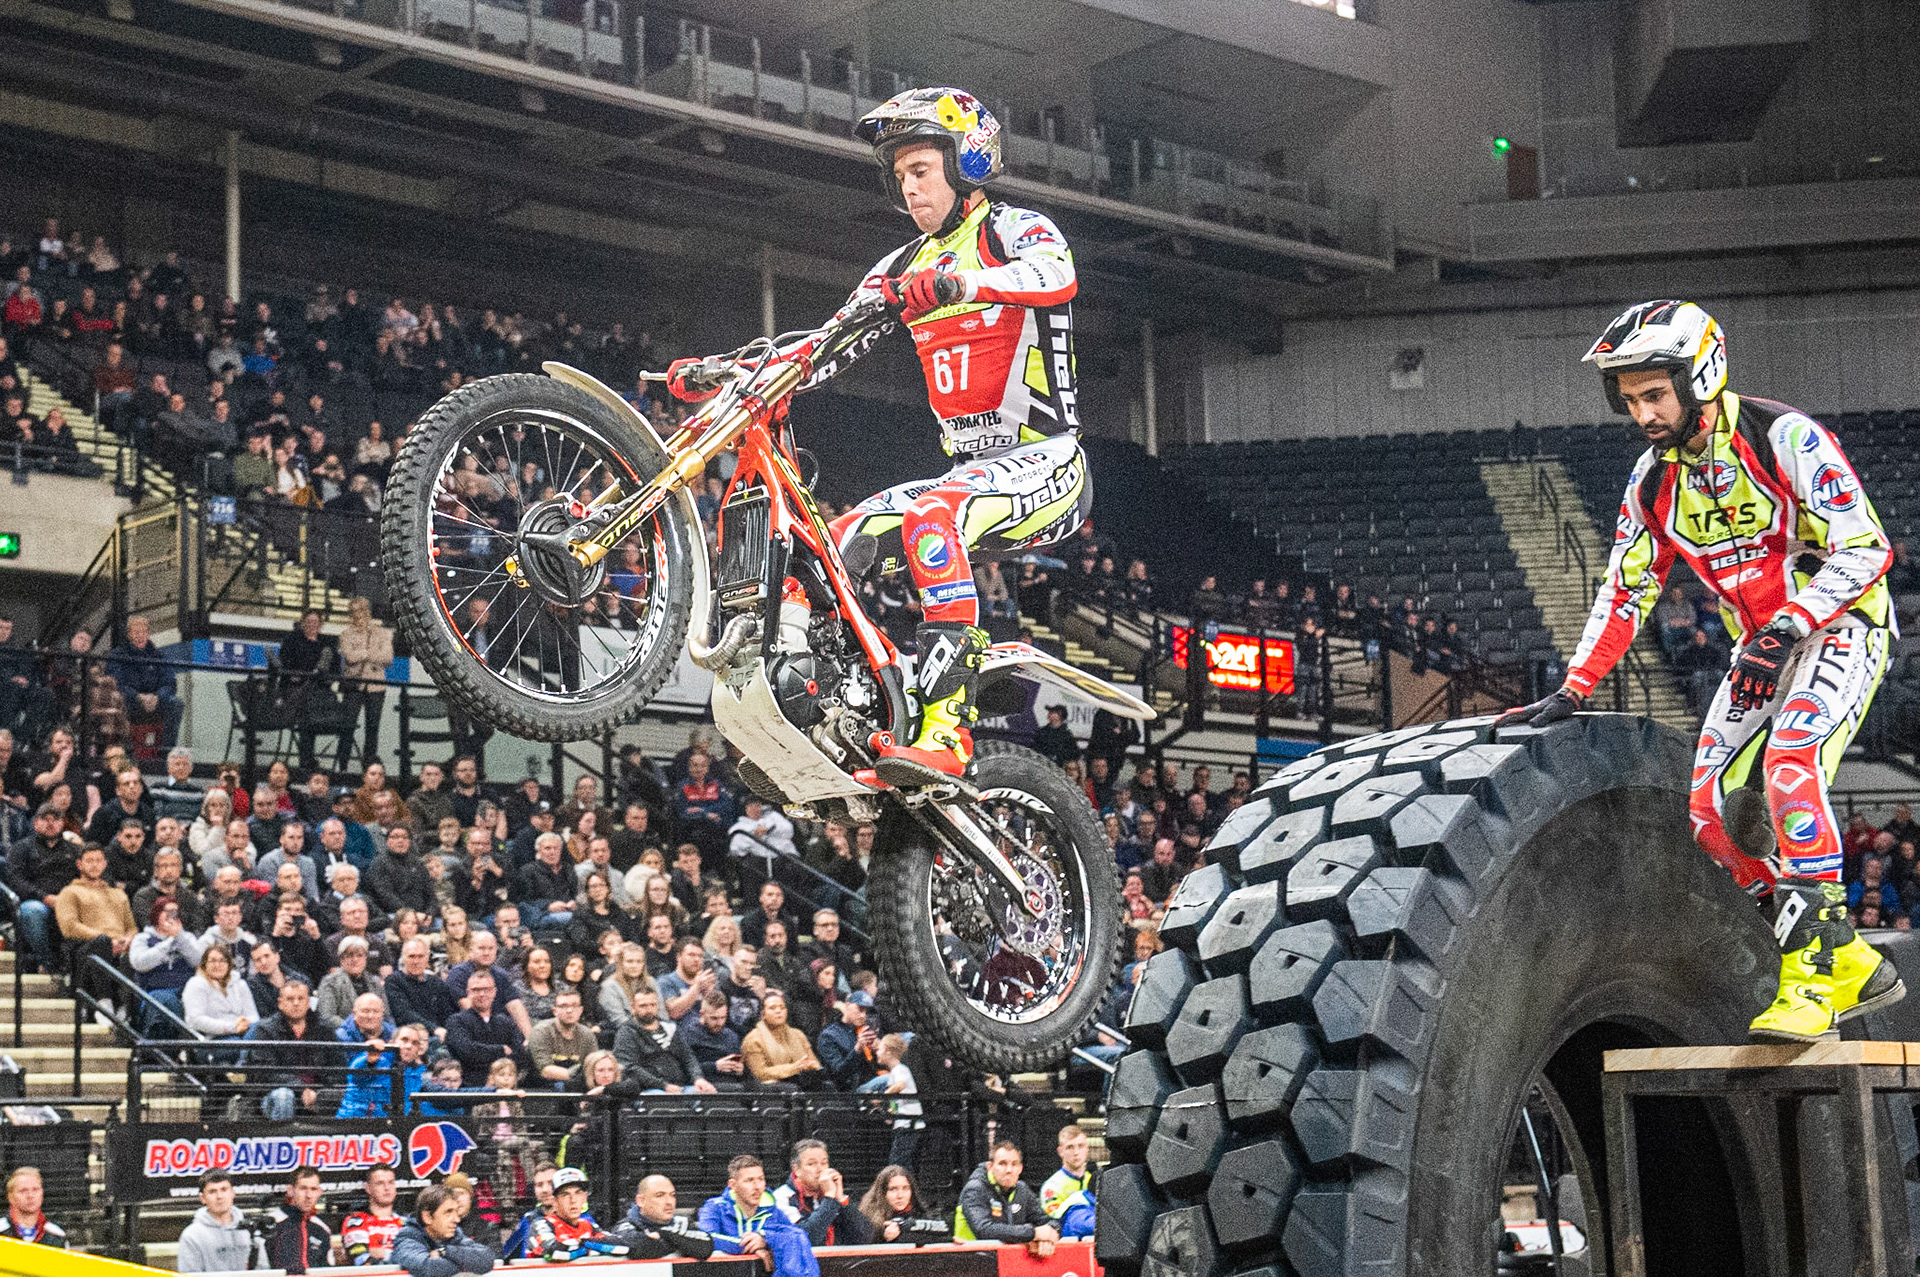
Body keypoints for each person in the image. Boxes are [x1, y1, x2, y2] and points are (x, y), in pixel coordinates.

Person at [1498, 300, 1903, 1043]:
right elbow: (1626, 587)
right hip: (1761, 647)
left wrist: (1787, 627)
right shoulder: (1651, 483)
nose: (1644, 414)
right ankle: (1844, 954)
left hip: (1841, 625)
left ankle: (1816, 969)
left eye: (1655, 395)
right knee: (1711, 817)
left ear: (1701, 375)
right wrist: (1573, 687)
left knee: (1787, 765)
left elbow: (1868, 548)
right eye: (1630, 401)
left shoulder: (1784, 436)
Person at [668, 88, 1084, 786]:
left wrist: (962, 283)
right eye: (900, 176)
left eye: (921, 168)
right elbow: (822, 350)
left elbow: (1058, 276)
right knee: (830, 543)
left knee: (932, 515)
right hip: (967, 476)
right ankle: (834, 717)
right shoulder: (896, 267)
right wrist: (734, 371)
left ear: (966, 160)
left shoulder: (1016, 231)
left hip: (1047, 464)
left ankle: (948, 730)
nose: (909, 186)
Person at [697, 1155, 819, 1277]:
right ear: (733, 1185)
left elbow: (797, 1236)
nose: (757, 1187)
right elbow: (706, 1238)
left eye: (760, 1179)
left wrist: (765, 1240)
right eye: (749, 1180)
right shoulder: (715, 1207)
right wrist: (750, 1247)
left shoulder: (773, 1211)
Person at [954, 1141, 1056, 1255]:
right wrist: (1032, 1233)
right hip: (970, 1261)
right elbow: (984, 1229)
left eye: (1014, 1164)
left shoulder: (1022, 1189)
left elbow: (1048, 1222)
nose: (1009, 1170)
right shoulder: (975, 1189)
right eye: (1002, 1164)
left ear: (1020, 1168)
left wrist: (1049, 1237)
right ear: (990, 1167)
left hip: (1006, 1261)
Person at [774, 1139, 873, 1247]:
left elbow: (866, 1237)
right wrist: (830, 1198)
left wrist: (841, 1199)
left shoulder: (833, 1195)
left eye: (824, 1163)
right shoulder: (782, 1197)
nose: (820, 1169)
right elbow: (806, 1238)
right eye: (811, 1164)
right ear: (796, 1169)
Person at [613, 987, 713, 1092]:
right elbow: (630, 1068)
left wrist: (698, 1079)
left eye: (653, 1005)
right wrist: (664, 1086)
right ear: (633, 1008)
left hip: (680, 1087)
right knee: (661, 1101)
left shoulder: (670, 1027)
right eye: (643, 1006)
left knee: (707, 1095)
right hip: (647, 1090)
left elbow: (688, 1057)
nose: (649, 1009)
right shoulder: (626, 1032)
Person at [392, 1184, 496, 1277]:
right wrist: (468, 1264)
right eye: (448, 1212)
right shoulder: (407, 1237)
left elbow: (487, 1259)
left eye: (456, 1212)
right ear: (427, 1217)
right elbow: (430, 1268)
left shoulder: (455, 1235)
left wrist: (443, 1252)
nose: (457, 1219)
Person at [526, 1168, 627, 1261]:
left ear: (584, 1198)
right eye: (565, 1194)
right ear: (555, 1201)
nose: (573, 1200)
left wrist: (582, 1243)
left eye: (578, 1193)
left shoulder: (588, 1225)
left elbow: (622, 1246)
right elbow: (555, 1252)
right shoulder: (541, 1225)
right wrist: (591, 1248)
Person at [612, 1175, 716, 1260]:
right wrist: (682, 1243)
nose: (669, 1202)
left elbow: (706, 1246)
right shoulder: (625, 1226)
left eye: (672, 1195)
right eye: (660, 1195)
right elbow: (640, 1248)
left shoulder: (683, 1222)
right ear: (641, 1201)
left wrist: (664, 1234)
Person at [741, 990, 826, 1089]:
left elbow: (814, 1062)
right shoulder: (753, 1039)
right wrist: (794, 1068)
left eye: (782, 1008)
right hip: (769, 1086)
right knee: (791, 1088)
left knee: (827, 1087)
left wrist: (811, 1065)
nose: (778, 1011)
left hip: (799, 1079)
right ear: (763, 1014)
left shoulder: (798, 1034)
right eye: (772, 1008)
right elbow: (760, 1073)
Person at [178, 1170, 253, 1272]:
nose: (219, 1196)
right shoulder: (192, 1236)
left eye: (224, 1189)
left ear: (232, 1193)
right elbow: (189, 1274)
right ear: (203, 1198)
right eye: (212, 1192)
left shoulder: (250, 1228)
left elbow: (264, 1271)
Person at [858, 1166, 950, 1246]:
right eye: (893, 1189)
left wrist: (904, 1228)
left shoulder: (920, 1212)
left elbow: (943, 1230)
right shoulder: (868, 1221)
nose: (900, 1195)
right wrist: (887, 1240)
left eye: (905, 1189)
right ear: (882, 1193)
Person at [266, 1166, 334, 1272]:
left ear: (319, 1192)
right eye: (303, 1188)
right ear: (290, 1191)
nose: (309, 1195)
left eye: (313, 1189)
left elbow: (328, 1270)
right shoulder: (271, 1223)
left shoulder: (322, 1229)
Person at [529, 987, 598, 1087]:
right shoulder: (541, 1031)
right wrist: (578, 1075)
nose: (569, 1010)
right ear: (555, 1011)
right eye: (563, 1006)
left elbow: (594, 1065)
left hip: (577, 1086)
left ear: (581, 1010)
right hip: (543, 1088)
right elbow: (545, 1070)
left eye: (574, 1006)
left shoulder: (587, 1034)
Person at [1040, 1122, 1097, 1238]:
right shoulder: (1052, 1186)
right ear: (1060, 1151)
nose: (1076, 1152)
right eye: (1070, 1147)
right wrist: (1079, 1198)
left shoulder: (1094, 1178)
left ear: (1087, 1148)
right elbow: (1055, 1219)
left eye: (1080, 1146)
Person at [341, 1166, 405, 1265]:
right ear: (368, 1188)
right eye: (380, 1183)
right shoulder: (356, 1221)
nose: (387, 1188)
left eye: (391, 1182)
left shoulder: (406, 1222)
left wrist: (384, 1254)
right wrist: (404, 1257)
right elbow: (360, 1259)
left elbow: (420, 1257)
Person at [0, 1168, 65, 1247]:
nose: (30, 1196)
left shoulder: (57, 1235)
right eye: (23, 1191)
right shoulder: (2, 1231)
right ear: (10, 1197)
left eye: (35, 1190)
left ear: (42, 1193)